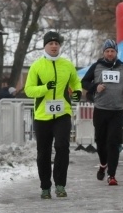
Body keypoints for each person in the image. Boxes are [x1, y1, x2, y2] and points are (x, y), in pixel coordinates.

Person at [24, 31, 82, 199]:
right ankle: (45, 187)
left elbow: (75, 81)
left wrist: (77, 91)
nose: (54, 46)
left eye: (57, 43)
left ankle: (60, 185)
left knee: (62, 147)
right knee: (43, 152)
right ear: (45, 46)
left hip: (62, 113)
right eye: (51, 43)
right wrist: (45, 88)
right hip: (42, 116)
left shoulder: (67, 64)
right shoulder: (37, 66)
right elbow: (29, 90)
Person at [81, 39, 123, 186]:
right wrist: (95, 86)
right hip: (100, 109)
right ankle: (103, 163)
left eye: (112, 51)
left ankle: (112, 175)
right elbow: (84, 82)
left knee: (113, 142)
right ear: (103, 52)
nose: (110, 54)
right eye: (107, 51)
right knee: (100, 141)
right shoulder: (97, 66)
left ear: (116, 52)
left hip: (117, 111)